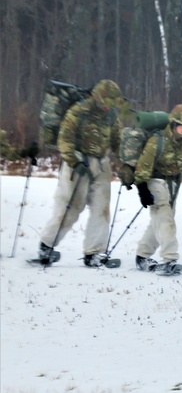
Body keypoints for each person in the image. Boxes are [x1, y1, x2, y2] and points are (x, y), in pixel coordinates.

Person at [36, 79, 124, 267]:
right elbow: (65, 139)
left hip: (101, 162)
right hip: (78, 161)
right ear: (98, 98)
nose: (109, 107)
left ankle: (94, 253)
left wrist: (127, 164)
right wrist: (73, 161)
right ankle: (46, 245)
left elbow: (118, 141)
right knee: (71, 207)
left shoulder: (111, 116)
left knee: (101, 208)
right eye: (107, 103)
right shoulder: (78, 111)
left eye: (112, 104)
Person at [133, 104, 182, 273]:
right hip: (155, 181)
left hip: (173, 183)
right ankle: (169, 259)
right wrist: (143, 190)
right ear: (173, 124)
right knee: (165, 218)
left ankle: (142, 255)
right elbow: (142, 168)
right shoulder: (156, 141)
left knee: (160, 219)